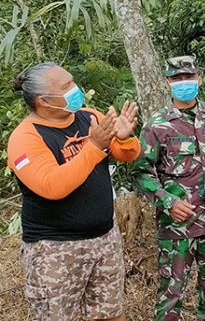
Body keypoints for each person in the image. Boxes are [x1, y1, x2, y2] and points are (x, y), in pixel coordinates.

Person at [7, 62, 140, 321]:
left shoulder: (88, 115)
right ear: (44, 101)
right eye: (66, 86)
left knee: (111, 313)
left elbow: (127, 154)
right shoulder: (24, 138)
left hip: (104, 238)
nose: (75, 89)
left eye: (72, 81)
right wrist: (94, 146)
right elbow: (52, 186)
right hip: (55, 248)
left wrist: (124, 138)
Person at [132, 56, 205, 321]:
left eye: (188, 77)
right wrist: (168, 201)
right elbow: (141, 171)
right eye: (177, 78)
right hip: (178, 225)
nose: (184, 83)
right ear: (168, 82)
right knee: (171, 293)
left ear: (199, 78)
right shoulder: (157, 125)